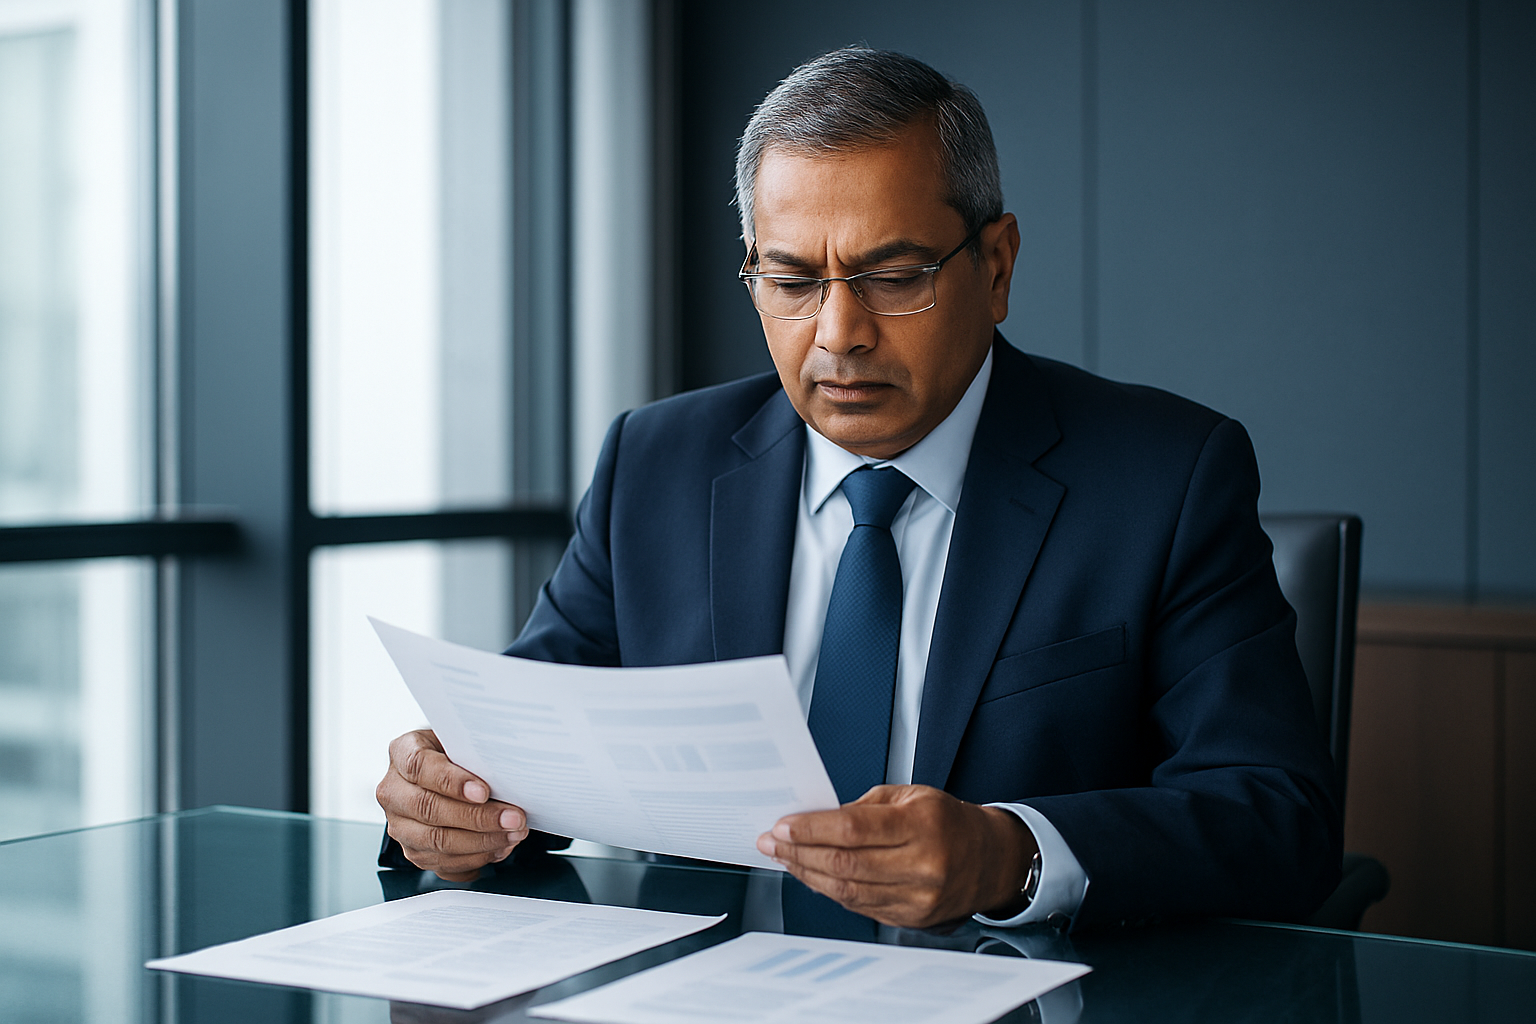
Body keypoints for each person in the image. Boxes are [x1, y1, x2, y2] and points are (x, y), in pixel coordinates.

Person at [376, 46, 1341, 932]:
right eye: (791, 281)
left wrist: (1011, 858)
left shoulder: (1164, 476)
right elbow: (526, 753)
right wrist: (449, 804)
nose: (838, 333)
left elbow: (1274, 813)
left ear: (996, 267)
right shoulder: (657, 462)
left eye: (892, 276)